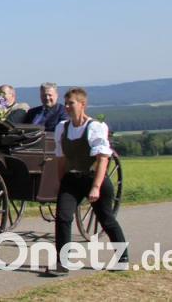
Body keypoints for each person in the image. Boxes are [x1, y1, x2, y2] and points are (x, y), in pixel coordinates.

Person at [47, 87, 128, 276]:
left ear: (82, 104)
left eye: (71, 103)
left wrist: (96, 187)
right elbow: (61, 159)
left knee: (106, 219)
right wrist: (62, 183)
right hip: (71, 179)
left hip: (92, 178)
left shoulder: (95, 127)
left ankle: (123, 258)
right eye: (65, 104)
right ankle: (63, 263)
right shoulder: (62, 128)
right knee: (63, 217)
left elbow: (102, 159)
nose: (67, 107)